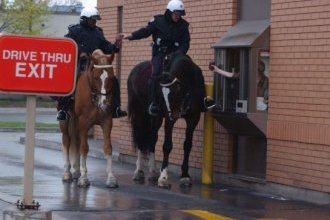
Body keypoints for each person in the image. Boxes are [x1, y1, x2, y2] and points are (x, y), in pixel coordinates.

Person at [122, 0, 213, 115]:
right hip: (160, 54)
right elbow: (145, 32)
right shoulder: (157, 21)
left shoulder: (184, 25)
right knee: (155, 74)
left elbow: (186, 43)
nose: (178, 17)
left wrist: (179, 53)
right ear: (169, 12)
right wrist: (131, 36)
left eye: (180, 15)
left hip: (177, 54)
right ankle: (154, 104)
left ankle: (203, 101)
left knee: (196, 70)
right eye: (176, 14)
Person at [56, 6, 127, 121]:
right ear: (84, 19)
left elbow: (106, 46)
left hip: (96, 64)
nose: (94, 22)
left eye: (95, 20)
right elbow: (67, 44)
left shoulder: (98, 32)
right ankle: (63, 110)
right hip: (81, 62)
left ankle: (116, 108)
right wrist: (80, 52)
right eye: (92, 20)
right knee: (71, 79)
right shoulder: (74, 30)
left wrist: (116, 45)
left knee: (112, 79)